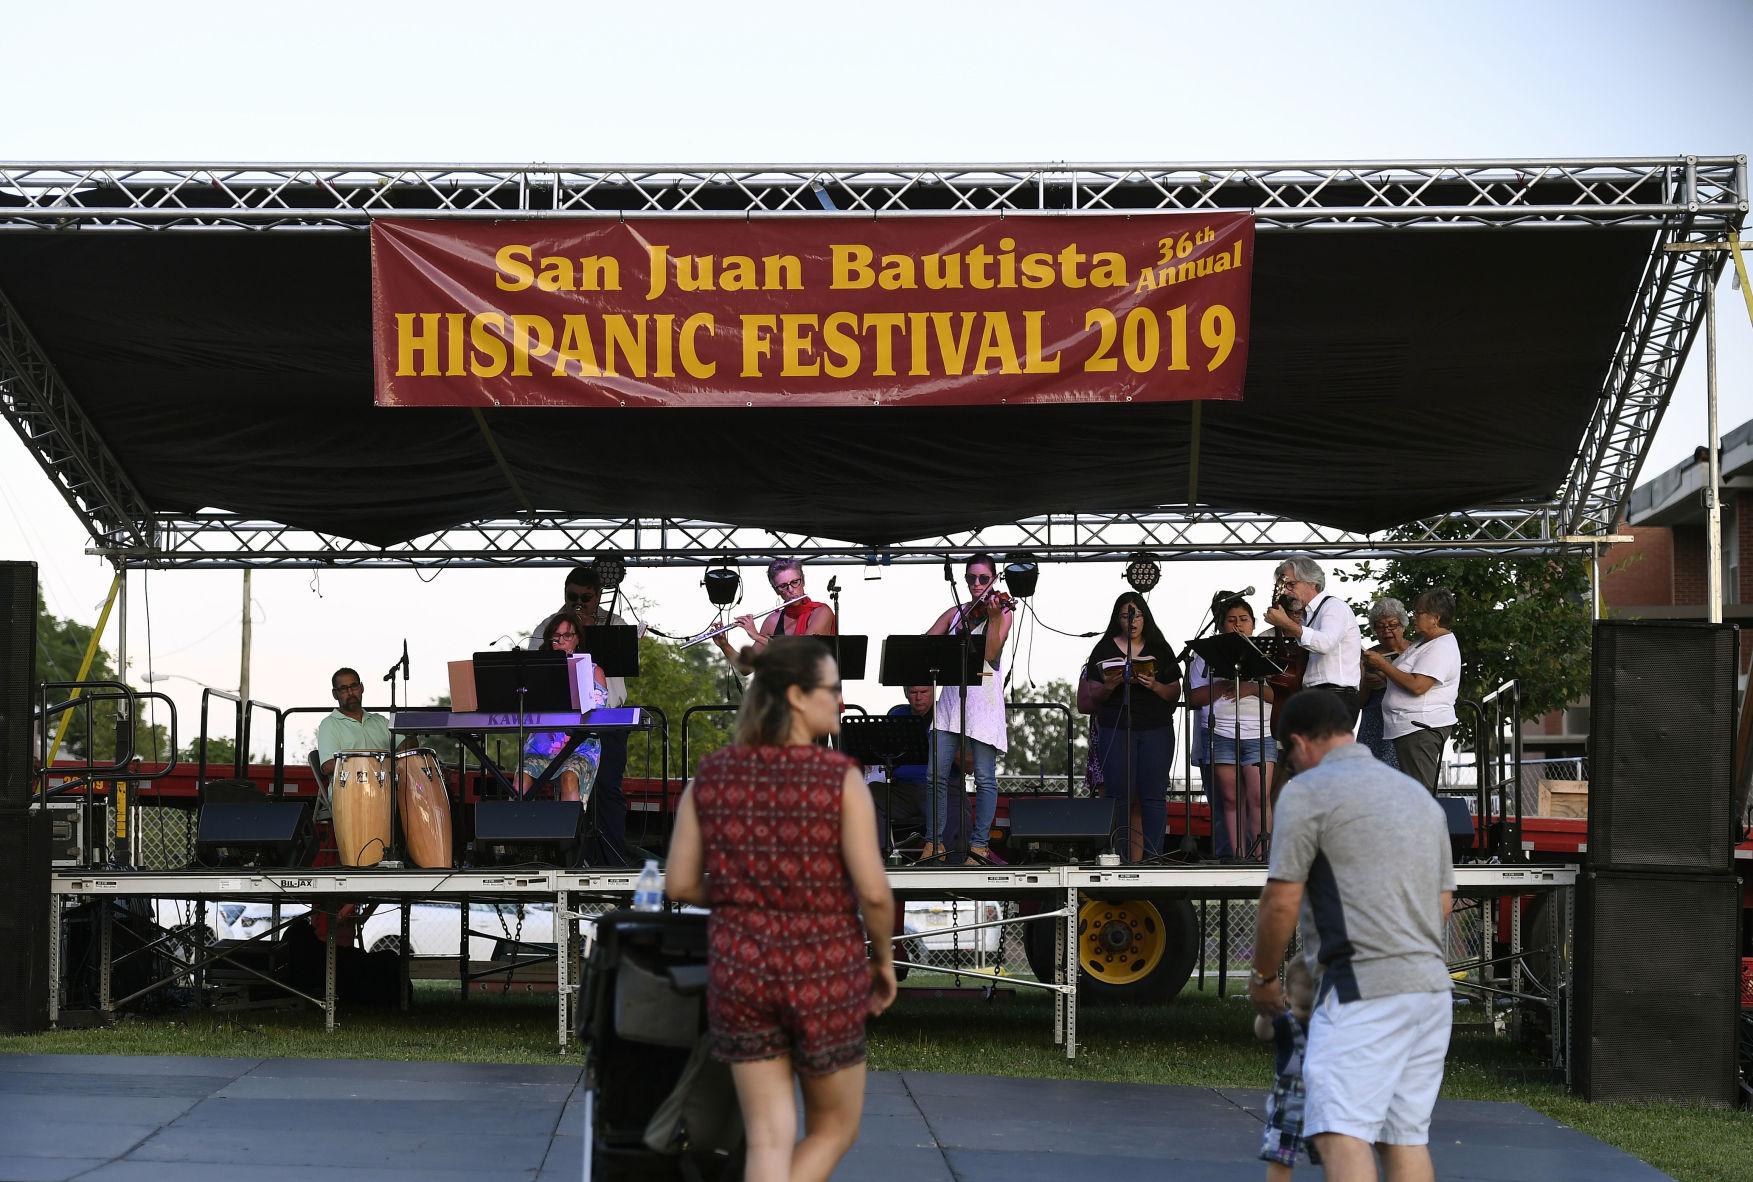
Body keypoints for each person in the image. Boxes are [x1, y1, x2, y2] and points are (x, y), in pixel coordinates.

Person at [665, 637, 897, 1182]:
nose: (841, 701)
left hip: (741, 969)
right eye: (832, 690)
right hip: (822, 970)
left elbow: (677, 884)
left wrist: (742, 895)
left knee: (769, 1137)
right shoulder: (839, 778)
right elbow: (875, 893)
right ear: (797, 695)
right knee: (834, 1129)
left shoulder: (712, 774)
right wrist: (883, 962)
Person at [1248, 690, 1456, 1182]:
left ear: (1297, 744)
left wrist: (1263, 978)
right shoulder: (1417, 797)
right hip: (1430, 988)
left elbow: (1280, 899)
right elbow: (1443, 901)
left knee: (1337, 1130)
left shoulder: (1308, 791)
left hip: (1363, 987)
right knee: (1401, 1137)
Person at [529, 564, 635, 862]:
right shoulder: (550, 626)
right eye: (571, 596)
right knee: (556, 780)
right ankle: (567, 855)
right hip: (560, 720)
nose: (578, 602)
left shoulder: (614, 622)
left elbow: (621, 668)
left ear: (598, 596)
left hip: (606, 716)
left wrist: (588, 630)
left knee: (608, 788)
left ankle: (612, 859)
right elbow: (536, 668)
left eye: (585, 598)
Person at [1076, 591, 1182, 860]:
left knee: (1153, 795)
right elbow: (1091, 697)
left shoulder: (1159, 648)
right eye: (1125, 615)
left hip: (1155, 727)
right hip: (1116, 727)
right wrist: (1110, 685)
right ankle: (1121, 856)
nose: (1131, 621)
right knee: (1119, 795)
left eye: (1136, 615)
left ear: (1145, 618)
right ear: (1117, 619)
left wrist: (1154, 685)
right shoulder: (1103, 648)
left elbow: (1174, 693)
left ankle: (1154, 856)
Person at [923, 553, 1013, 863]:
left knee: (985, 777)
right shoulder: (955, 612)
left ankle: (979, 845)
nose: (976, 584)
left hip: (983, 700)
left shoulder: (1002, 610)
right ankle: (934, 842)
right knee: (935, 774)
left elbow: (989, 652)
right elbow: (926, 644)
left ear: (994, 579)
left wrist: (995, 616)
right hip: (950, 698)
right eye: (971, 578)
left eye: (983, 579)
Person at [1185, 597, 1275, 858]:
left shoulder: (1266, 652)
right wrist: (1220, 687)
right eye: (1231, 620)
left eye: (1244, 620)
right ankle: (1237, 855)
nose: (1238, 625)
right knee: (1230, 798)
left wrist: (1251, 687)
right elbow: (1193, 698)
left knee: (1259, 797)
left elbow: (1280, 696)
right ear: (1221, 625)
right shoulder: (1205, 654)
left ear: (1253, 624)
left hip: (1260, 732)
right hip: (1220, 732)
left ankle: (1262, 855)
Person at [1367, 588, 1461, 793]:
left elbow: (1418, 686)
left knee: (1420, 793)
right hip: (1409, 727)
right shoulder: (1424, 643)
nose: (1413, 617)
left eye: (1419, 613)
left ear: (1435, 618)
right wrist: (1382, 675)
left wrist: (1383, 665)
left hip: (1420, 727)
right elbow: (1405, 678)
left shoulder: (1441, 646)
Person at [518, 610, 609, 803]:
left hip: (579, 745)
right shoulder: (537, 671)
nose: (561, 640)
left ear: (578, 639)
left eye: (567, 635)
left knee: (569, 777)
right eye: (556, 635)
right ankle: (519, 830)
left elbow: (598, 715)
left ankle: (570, 832)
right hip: (541, 745)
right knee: (521, 779)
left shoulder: (594, 671)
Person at [1263, 557, 1362, 725]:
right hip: (1317, 695)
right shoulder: (1308, 616)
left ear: (1312, 583)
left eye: (1291, 585)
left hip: (1335, 695)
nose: (1286, 591)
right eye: (1284, 586)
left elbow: (1325, 644)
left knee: (1327, 751)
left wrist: (1285, 623)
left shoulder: (1334, 607)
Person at [1254, 956, 1319, 1179]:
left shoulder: (1328, 1023)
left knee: (1337, 1155)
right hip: (1289, 1109)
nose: (1307, 1014)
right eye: (1302, 1007)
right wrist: (1267, 1013)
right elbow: (1264, 1033)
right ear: (1288, 997)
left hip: (1323, 1107)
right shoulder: (1285, 1022)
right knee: (1281, 1160)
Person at [714, 557, 837, 674]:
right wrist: (724, 644)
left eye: (795, 582)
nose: (791, 589)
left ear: (803, 581)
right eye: (783, 586)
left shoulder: (821, 612)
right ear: (776, 590)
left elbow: (803, 657)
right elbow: (746, 668)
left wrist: (758, 637)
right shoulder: (772, 621)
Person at [1357, 598, 1410, 769]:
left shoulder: (1415, 651)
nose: (1386, 630)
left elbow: (1418, 686)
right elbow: (1359, 702)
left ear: (1403, 625)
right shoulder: (1370, 654)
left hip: (1404, 719)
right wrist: (1366, 683)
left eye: (1392, 625)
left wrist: (1385, 677)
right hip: (1374, 719)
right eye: (1380, 626)